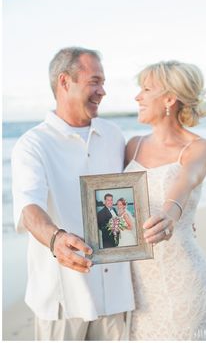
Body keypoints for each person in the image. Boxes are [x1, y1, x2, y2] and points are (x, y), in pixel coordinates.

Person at [11, 47, 135, 341]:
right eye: (95, 81)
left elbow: (131, 198)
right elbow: (29, 207)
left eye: (103, 82)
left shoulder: (114, 135)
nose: (103, 91)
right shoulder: (33, 145)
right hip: (63, 299)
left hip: (116, 295)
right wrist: (56, 239)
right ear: (65, 82)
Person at [124, 60, 206, 340]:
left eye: (146, 89)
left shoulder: (198, 147)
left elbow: (186, 180)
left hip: (182, 277)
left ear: (169, 98)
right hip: (138, 285)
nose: (137, 97)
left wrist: (170, 214)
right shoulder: (132, 145)